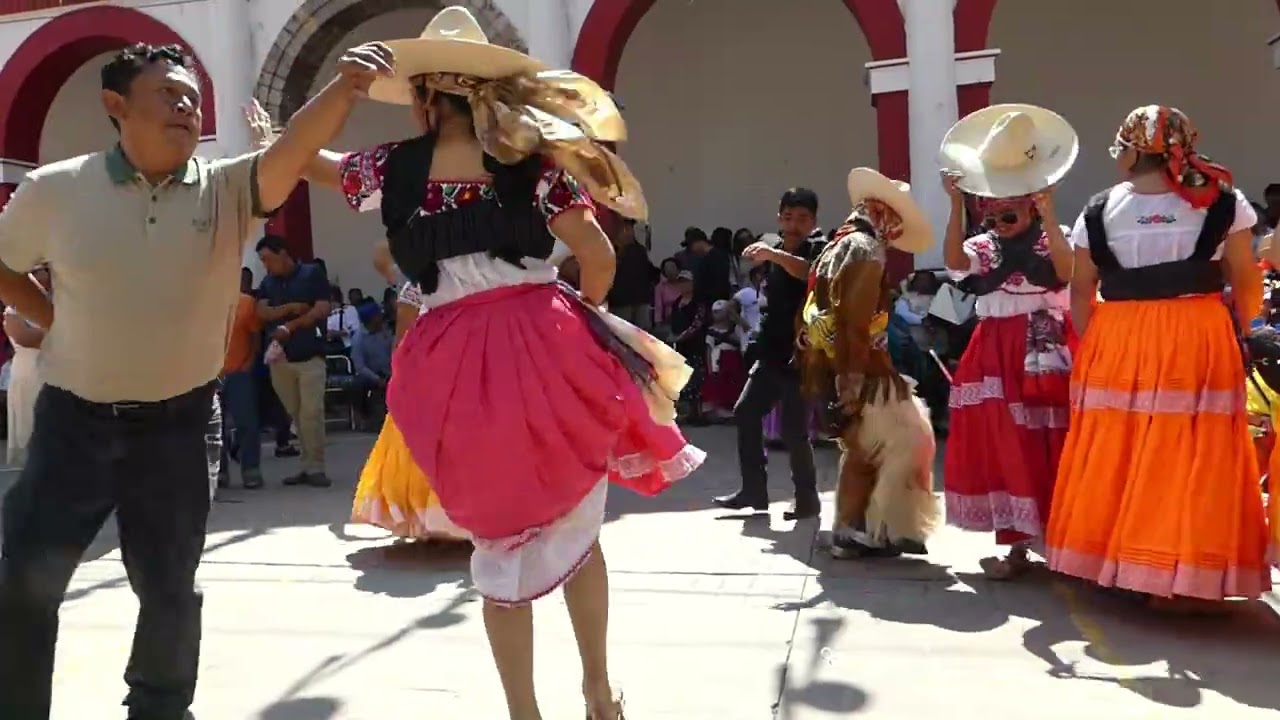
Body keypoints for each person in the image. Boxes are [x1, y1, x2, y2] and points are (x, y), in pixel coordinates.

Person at [249, 8, 704, 717]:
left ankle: (523, 711)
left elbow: (312, 164)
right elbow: (599, 257)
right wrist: (572, 321)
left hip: (450, 361)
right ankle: (598, 691)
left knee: (498, 542)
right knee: (579, 531)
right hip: (545, 344)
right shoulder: (536, 168)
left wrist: (275, 138)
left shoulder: (391, 169)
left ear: (425, 98)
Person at [0, 38, 394, 720]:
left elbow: (294, 149)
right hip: (75, 423)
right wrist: (52, 318)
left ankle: (159, 708)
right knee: (26, 582)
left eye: (192, 98)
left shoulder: (228, 188)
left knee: (170, 589)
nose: (186, 107)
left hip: (178, 424)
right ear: (116, 105)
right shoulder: (56, 190)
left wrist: (346, 87)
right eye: (168, 95)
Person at [1046, 105, 1271, 611]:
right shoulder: (1223, 202)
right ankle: (1184, 577)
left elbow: (1082, 289)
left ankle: (1117, 565)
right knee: (1189, 449)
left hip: (1118, 336)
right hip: (1197, 332)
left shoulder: (1099, 209)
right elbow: (1245, 277)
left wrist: (1096, 344)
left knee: (1118, 446)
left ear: (1131, 153)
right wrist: (1245, 331)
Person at [938, 105, 1078, 579]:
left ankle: (1064, 538)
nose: (1002, 214)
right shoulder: (985, 244)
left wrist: (1050, 215)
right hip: (996, 348)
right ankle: (1017, 543)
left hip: (1047, 346)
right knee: (1007, 441)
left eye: (1011, 206)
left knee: (1053, 437)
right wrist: (954, 205)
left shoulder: (1054, 235)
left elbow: (1066, 271)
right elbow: (955, 262)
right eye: (994, 207)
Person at [799, 168, 941, 557]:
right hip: (862, 366)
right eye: (894, 222)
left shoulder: (838, 245)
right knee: (900, 442)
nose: (895, 232)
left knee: (871, 446)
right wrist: (853, 377)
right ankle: (873, 528)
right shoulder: (866, 250)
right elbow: (855, 320)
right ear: (881, 212)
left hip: (840, 362)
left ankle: (868, 527)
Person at [714, 189, 825, 520]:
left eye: (802, 219)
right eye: (788, 217)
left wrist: (774, 257)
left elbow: (808, 272)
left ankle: (807, 500)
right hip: (771, 352)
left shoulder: (818, 248)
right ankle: (753, 491)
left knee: (794, 431)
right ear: (779, 218)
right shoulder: (774, 249)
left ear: (813, 222)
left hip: (802, 356)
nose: (794, 225)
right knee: (746, 412)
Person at [352, 279, 468, 541]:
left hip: (460, 374)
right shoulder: (415, 289)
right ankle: (431, 520)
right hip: (425, 379)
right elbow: (402, 341)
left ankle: (455, 520)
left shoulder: (466, 278)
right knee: (423, 451)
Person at [221, 266, 265, 489]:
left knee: (246, 422)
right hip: (212, 376)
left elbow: (255, 335)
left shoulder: (247, 303)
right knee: (214, 427)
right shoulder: (206, 306)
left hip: (239, 371)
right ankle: (219, 472)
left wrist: (249, 363)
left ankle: (251, 469)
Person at [3, 264, 50, 465]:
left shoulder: (56, 304)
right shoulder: (13, 311)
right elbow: (24, 337)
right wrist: (57, 336)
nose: (41, 275)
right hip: (28, 370)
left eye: (44, 270)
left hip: (53, 370)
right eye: (36, 271)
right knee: (28, 419)